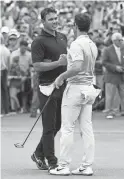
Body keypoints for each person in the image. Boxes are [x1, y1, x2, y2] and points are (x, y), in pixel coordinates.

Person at [49, 13, 98, 176]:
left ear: (75, 26)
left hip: (76, 88)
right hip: (88, 88)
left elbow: (76, 67)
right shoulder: (92, 44)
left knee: (67, 128)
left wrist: (61, 77)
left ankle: (63, 165)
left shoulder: (77, 44)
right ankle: (86, 165)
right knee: (87, 128)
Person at [31, 7, 67, 170]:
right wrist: (57, 63)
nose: (55, 21)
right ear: (43, 21)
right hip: (46, 87)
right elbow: (37, 66)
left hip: (62, 86)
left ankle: (38, 153)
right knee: (49, 126)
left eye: (56, 18)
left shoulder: (62, 37)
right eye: (51, 19)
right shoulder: (38, 41)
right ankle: (52, 162)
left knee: (58, 124)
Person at [102, 32, 124, 119]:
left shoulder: (123, 48)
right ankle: (109, 111)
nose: (121, 41)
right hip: (111, 76)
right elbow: (104, 62)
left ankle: (121, 111)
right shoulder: (107, 50)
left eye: (121, 40)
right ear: (114, 41)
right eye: (120, 40)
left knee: (122, 94)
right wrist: (115, 67)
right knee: (110, 95)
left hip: (121, 76)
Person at [0, 33, 10, 116]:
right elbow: (8, 63)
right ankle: (6, 110)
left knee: (2, 91)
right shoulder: (6, 49)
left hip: (1, 70)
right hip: (5, 70)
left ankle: (2, 110)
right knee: (4, 90)